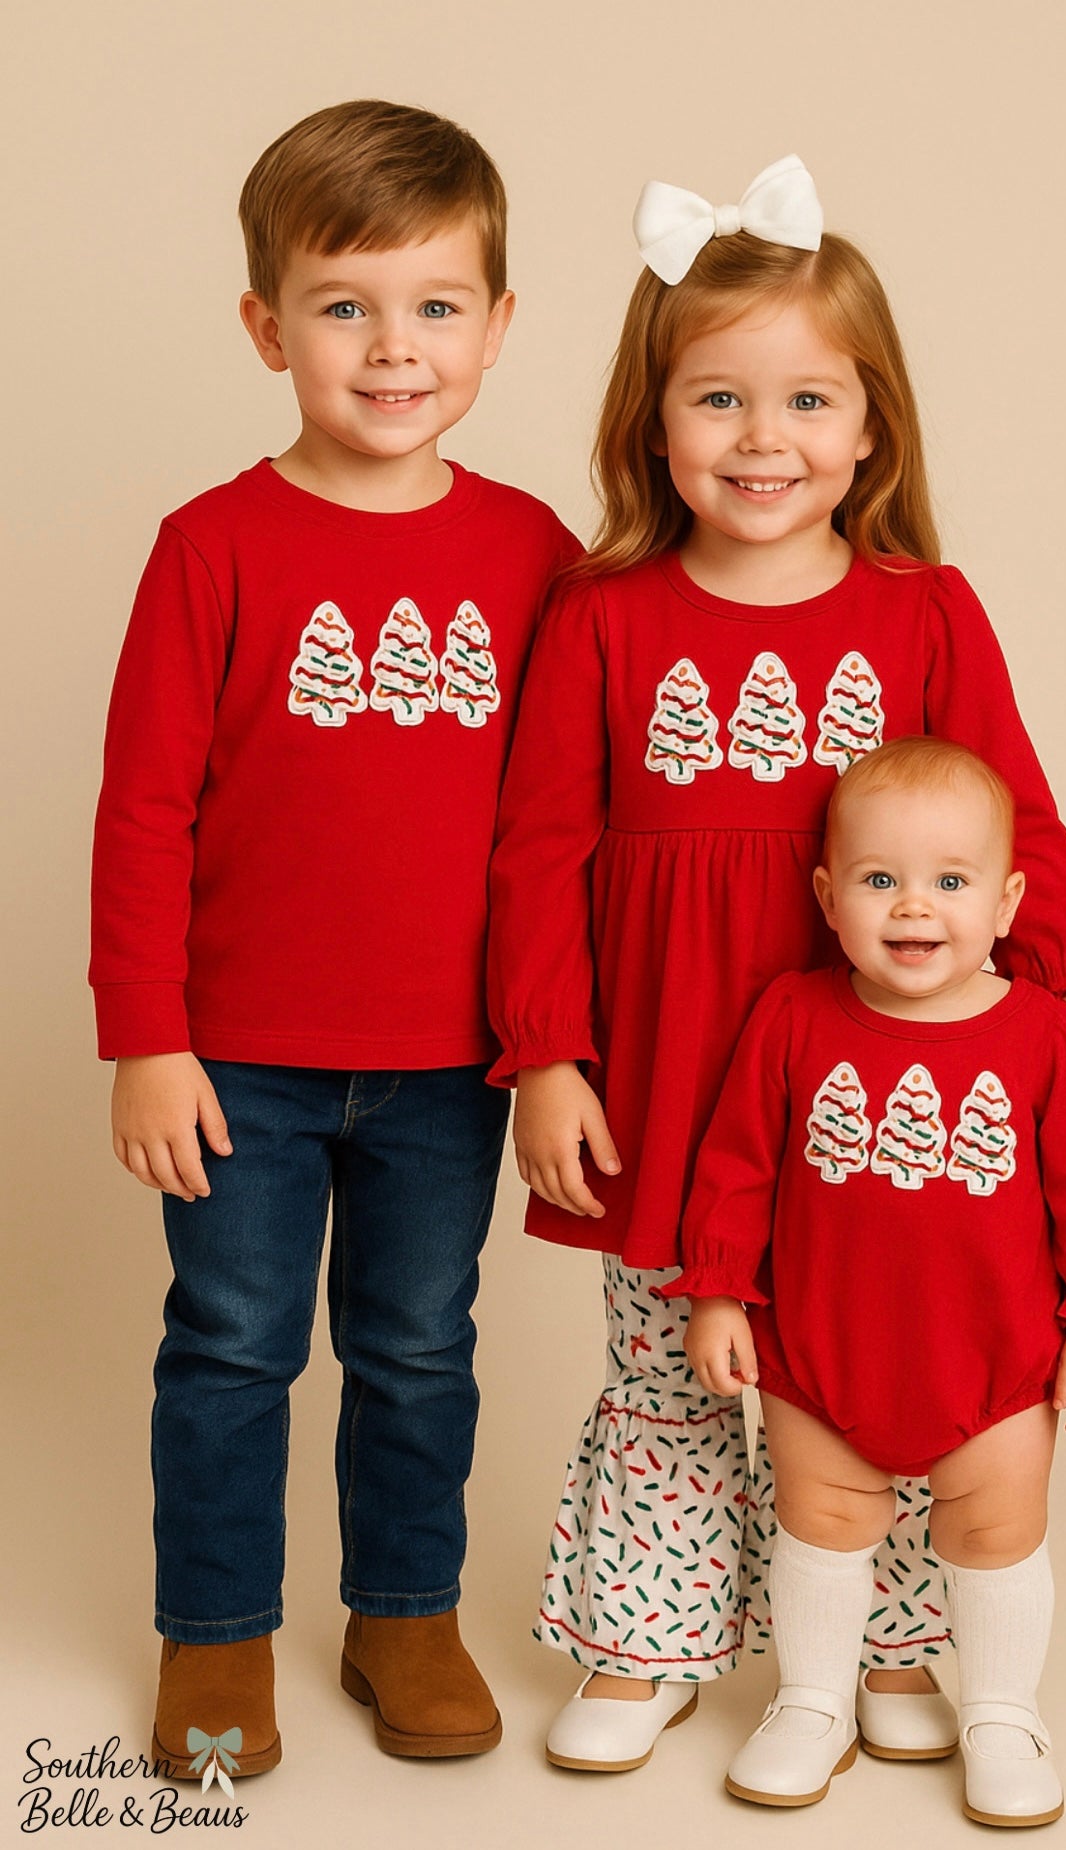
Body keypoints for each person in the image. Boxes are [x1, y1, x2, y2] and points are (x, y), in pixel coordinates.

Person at [487, 156, 1066, 1774]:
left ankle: (902, 1646)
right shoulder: (602, 616)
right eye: (717, 398)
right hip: (664, 1062)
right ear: (654, 422)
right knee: (670, 1370)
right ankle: (645, 1644)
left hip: (877, 1089)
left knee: (889, 1359)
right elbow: (536, 854)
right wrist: (548, 1052)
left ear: (869, 429)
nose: (762, 439)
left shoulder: (922, 611)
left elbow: (1014, 811)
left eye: (804, 401)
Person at [90, 99, 578, 1778]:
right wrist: (146, 1035)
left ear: (499, 327)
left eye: (437, 305)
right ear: (265, 324)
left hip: (452, 1061)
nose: (392, 348)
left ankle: (402, 1613)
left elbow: (557, 824)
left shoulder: (532, 556)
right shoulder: (211, 550)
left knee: (416, 1345)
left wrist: (558, 1036)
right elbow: (143, 811)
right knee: (229, 1349)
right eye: (345, 305)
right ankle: (215, 1638)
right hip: (239, 1059)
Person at [667, 735, 1066, 1826]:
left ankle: (1000, 1710)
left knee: (995, 1532)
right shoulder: (793, 1015)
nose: (913, 908)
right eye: (880, 879)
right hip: (822, 1347)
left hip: (995, 1357)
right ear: (828, 895)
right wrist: (716, 1290)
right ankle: (810, 1700)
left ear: (1008, 899)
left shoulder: (1038, 1032)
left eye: (949, 880)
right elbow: (736, 1166)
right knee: (821, 1521)